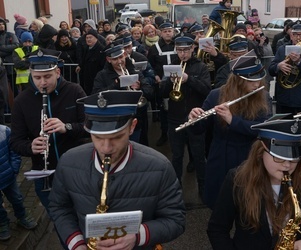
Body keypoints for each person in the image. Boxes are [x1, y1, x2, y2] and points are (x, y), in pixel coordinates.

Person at [48, 90, 185, 250]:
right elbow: (59, 207)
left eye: (117, 137)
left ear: (132, 126)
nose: (106, 148)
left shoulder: (160, 167)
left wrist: (137, 236)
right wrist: (76, 243)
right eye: (98, 137)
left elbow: (176, 220)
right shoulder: (68, 161)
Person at [207, 118, 301, 249]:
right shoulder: (237, 180)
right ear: (260, 153)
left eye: (293, 158)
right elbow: (217, 229)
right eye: (279, 157)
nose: (287, 165)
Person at [189, 50, 272, 208]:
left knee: (248, 205)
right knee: (221, 204)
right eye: (251, 81)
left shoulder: (264, 97)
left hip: (249, 156)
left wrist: (232, 120)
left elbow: (262, 129)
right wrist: (193, 119)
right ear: (238, 80)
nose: (257, 84)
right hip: (221, 157)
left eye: (259, 79)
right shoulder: (216, 95)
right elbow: (199, 129)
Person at [10, 48, 87, 212]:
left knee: (82, 216)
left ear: (57, 72)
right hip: (44, 174)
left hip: (78, 170)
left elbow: (91, 126)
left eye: (47, 76)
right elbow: (16, 142)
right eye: (37, 78)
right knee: (60, 220)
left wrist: (67, 127)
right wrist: (30, 146)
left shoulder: (75, 91)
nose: (42, 83)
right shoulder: (21, 101)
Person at [161, 33, 211, 195]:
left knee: (198, 156)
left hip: (195, 118)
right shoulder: (171, 67)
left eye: (186, 50)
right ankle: (176, 189)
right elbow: (160, 92)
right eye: (179, 50)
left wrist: (189, 79)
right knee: (176, 156)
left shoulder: (201, 67)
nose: (182, 53)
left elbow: (206, 90)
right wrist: (170, 81)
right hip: (175, 118)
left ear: (193, 49)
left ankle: (203, 189)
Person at [268, 21, 301, 169]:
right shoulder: (282, 49)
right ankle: (285, 164)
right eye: (295, 34)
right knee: (284, 135)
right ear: (290, 35)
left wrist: (299, 62)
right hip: (285, 99)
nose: (298, 37)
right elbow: (271, 69)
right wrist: (278, 66)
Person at [0, 124, 37, 241]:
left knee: (17, 198)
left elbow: (14, 151)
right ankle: (2, 223)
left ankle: (22, 215)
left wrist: (14, 170)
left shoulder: (4, 131)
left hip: (8, 176)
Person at [148, 22, 178, 146]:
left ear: (173, 32)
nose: (167, 33)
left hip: (178, 83)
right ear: (160, 32)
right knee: (163, 111)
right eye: (165, 31)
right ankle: (164, 134)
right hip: (162, 85)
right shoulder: (154, 48)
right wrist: (155, 76)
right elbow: (150, 66)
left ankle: (179, 134)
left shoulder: (179, 45)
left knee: (178, 110)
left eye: (169, 31)